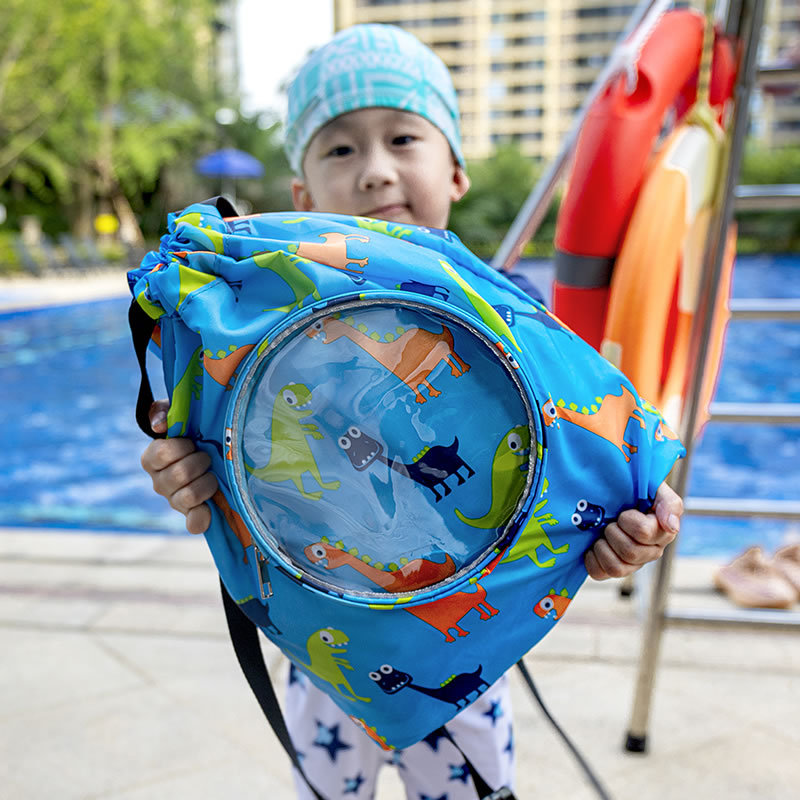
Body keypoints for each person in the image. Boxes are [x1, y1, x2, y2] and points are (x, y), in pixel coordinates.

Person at [140, 24, 684, 800]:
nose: (374, 170)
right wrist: (183, 470)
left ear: (455, 170)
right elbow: (215, 448)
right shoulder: (266, 332)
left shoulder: (514, 320)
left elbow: (590, 451)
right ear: (302, 199)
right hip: (326, 648)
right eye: (339, 149)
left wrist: (632, 520)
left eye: (403, 138)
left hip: (465, 659)